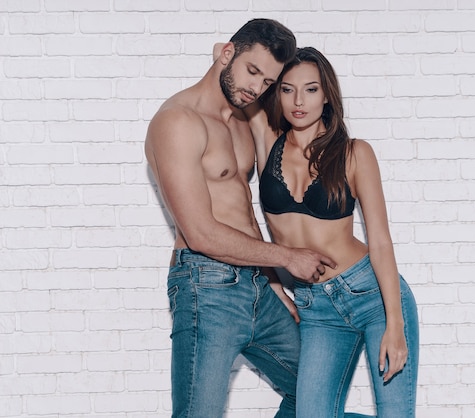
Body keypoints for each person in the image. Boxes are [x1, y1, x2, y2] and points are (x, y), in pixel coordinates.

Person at [145, 20, 336, 418]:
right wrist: (286, 259)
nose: (256, 88)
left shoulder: (243, 120)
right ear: (227, 54)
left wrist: (271, 283)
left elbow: (243, 214)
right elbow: (200, 232)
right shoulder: (178, 122)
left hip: (258, 285)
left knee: (318, 394)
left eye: (267, 81)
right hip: (207, 286)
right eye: (252, 72)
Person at [245, 47, 420, 417]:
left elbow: (381, 241)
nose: (298, 101)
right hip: (316, 307)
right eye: (287, 89)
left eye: (310, 89)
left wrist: (395, 322)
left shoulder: (356, 153)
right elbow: (224, 57)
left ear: (326, 95)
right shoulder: (266, 136)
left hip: (371, 294)